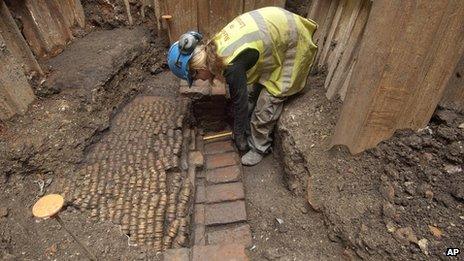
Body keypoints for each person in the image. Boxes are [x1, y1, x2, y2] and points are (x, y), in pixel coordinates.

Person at [167, 7, 317, 166]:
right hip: (278, 33)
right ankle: (249, 125)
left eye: (195, 77)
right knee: (254, 93)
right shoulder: (213, 46)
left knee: (267, 103)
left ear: (198, 68)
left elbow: (240, 101)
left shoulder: (230, 65)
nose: (201, 81)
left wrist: (239, 136)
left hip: (293, 41)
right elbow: (241, 94)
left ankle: (259, 147)